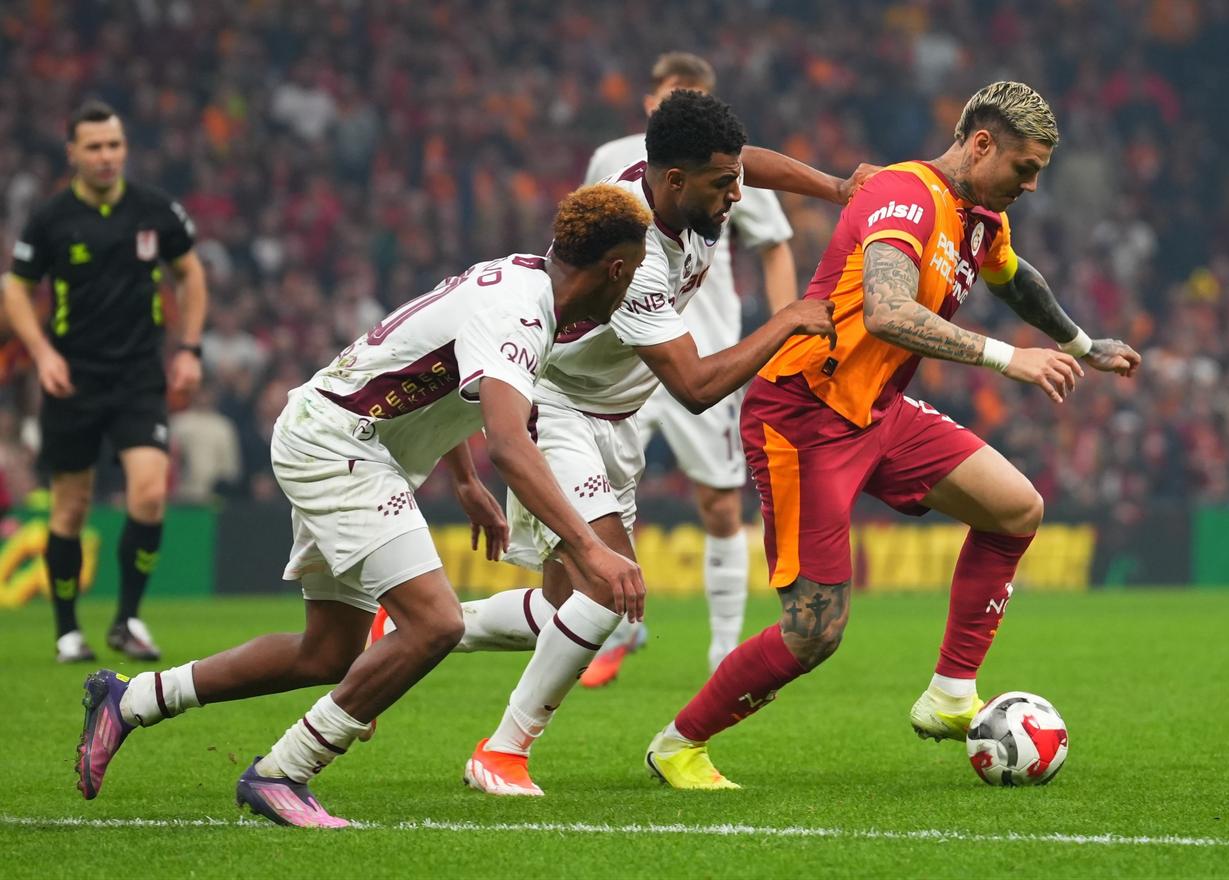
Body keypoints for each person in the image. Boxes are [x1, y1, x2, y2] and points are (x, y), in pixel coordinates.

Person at [73, 184, 652, 828]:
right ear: (617, 268)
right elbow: (512, 446)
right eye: (638, 269)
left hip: (331, 430)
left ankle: (131, 701)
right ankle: (282, 771)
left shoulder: (519, 283)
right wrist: (591, 549)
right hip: (340, 444)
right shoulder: (522, 311)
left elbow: (439, 372)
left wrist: (462, 480)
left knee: (326, 652)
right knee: (436, 624)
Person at [644, 81, 1142, 790]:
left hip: (878, 409)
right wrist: (1011, 359)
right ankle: (678, 744)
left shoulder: (980, 218)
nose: (1030, 186)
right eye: (1023, 169)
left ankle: (948, 694)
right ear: (979, 144)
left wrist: (1082, 343)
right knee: (814, 631)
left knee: (1016, 508)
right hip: (803, 414)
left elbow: (1014, 279)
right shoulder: (907, 198)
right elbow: (885, 311)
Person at [453, 88, 849, 797]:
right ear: (674, 180)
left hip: (616, 418)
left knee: (560, 611)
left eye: (734, 179)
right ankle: (502, 751)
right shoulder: (633, 253)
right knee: (610, 590)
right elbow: (695, 386)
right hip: (555, 406)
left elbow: (748, 161)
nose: (736, 193)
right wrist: (786, 319)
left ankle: (420, 625)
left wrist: (836, 187)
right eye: (722, 183)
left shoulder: (692, 187)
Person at [579, 52, 798, 682]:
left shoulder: (722, 169)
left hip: (704, 352)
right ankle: (618, 628)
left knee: (720, 505)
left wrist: (783, 323)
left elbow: (774, 241)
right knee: (599, 504)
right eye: (677, 95)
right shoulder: (612, 162)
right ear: (653, 103)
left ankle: (721, 650)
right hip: (623, 354)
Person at [2, 100, 208, 663]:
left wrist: (188, 350)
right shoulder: (50, 220)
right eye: (93, 147)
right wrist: (42, 353)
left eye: (113, 145)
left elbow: (190, 273)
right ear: (72, 152)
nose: (105, 156)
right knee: (70, 508)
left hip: (139, 376)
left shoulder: (154, 210)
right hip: (72, 379)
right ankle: (67, 629)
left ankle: (127, 619)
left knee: (147, 493)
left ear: (124, 148)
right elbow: (15, 287)